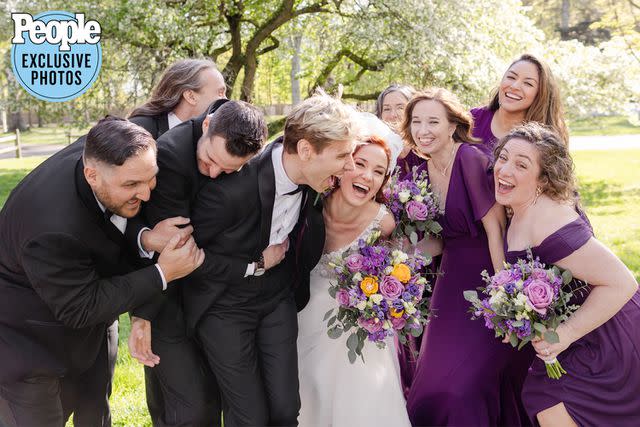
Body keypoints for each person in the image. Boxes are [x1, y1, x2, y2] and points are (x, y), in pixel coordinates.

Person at [0, 117, 203, 427]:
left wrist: (144, 236)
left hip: (91, 329)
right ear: (91, 175)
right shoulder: (51, 227)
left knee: (96, 415)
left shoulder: (106, 147)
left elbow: (112, 217)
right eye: (132, 185)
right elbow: (80, 307)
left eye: (151, 179)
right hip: (28, 343)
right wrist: (162, 273)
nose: (147, 194)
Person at [183, 92, 359, 426]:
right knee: (249, 418)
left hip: (277, 298)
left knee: (285, 409)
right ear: (305, 150)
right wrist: (255, 264)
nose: (349, 165)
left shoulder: (313, 178)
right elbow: (190, 258)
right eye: (342, 155)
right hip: (225, 306)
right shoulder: (230, 190)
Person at [128, 99, 269, 427]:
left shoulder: (249, 157)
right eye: (209, 160)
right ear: (206, 125)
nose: (215, 173)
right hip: (168, 296)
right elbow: (177, 252)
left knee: (208, 401)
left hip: (214, 299)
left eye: (230, 170)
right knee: (189, 409)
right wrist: (142, 315)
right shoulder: (170, 157)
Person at [495, 123, 640, 427]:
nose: (504, 169)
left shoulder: (549, 221)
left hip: (607, 334)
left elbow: (622, 282)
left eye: (521, 165)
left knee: (547, 399)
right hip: (583, 333)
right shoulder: (519, 205)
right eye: (503, 157)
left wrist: (566, 334)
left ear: (542, 179)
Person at [403, 89, 530, 426]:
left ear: (452, 126)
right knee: (430, 380)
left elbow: (495, 231)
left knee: (465, 382)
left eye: (433, 121)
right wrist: (398, 262)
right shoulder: (421, 168)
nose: (423, 129)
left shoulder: (470, 159)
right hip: (450, 280)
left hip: (488, 275)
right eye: (416, 121)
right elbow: (441, 242)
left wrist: (504, 295)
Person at [126, 58, 230, 427]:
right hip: (152, 274)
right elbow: (118, 216)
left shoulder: (220, 137)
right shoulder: (140, 134)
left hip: (201, 280)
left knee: (195, 390)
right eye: (218, 92)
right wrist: (142, 312)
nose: (225, 98)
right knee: (178, 396)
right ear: (188, 95)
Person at [297, 115, 410, 426]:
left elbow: (395, 270)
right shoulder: (311, 202)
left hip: (355, 327)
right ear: (343, 165)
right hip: (302, 318)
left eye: (378, 172)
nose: (367, 176)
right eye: (360, 164)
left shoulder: (382, 222)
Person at [471, 53, 569, 157]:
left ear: (540, 94)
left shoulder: (544, 142)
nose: (514, 86)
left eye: (528, 83)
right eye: (511, 77)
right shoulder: (472, 119)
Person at [128, 59, 226, 139]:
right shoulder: (138, 130)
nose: (226, 100)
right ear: (191, 96)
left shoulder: (213, 136)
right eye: (220, 93)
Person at [375, 84, 421, 175]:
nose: (393, 115)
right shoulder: (376, 149)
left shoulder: (427, 147)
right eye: (387, 109)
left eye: (400, 107)